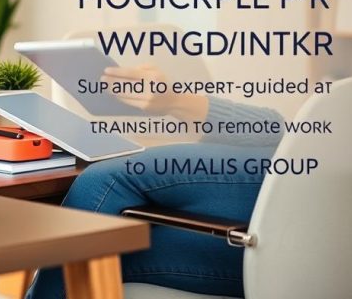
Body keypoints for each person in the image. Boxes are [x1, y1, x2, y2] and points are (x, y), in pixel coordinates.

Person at [27, 65, 285, 299]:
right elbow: (276, 129)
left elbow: (277, 132)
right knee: (104, 253)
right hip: (281, 232)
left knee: (103, 182)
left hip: (285, 239)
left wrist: (175, 100)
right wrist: (175, 101)